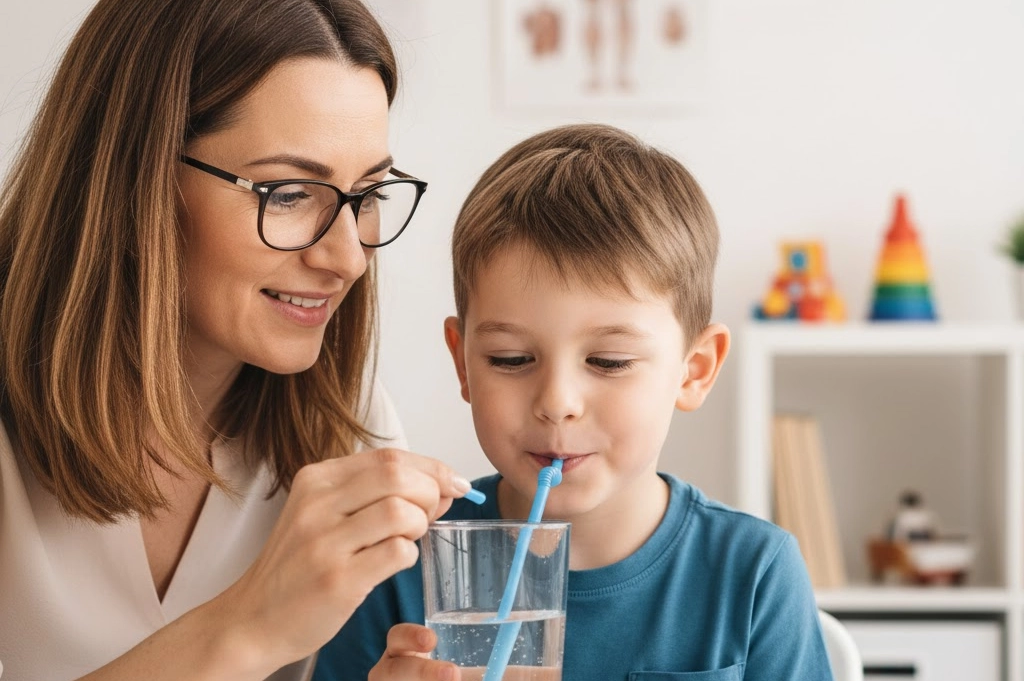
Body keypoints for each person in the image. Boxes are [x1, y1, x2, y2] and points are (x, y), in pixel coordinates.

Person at [0, 1, 474, 680]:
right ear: (138, 181)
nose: (347, 258)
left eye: (367, 194)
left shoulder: (347, 426)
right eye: (287, 194)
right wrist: (245, 626)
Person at [315, 123, 834, 680]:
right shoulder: (400, 564)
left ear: (695, 370)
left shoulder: (752, 573)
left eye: (609, 362)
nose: (557, 403)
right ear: (462, 360)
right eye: (511, 359)